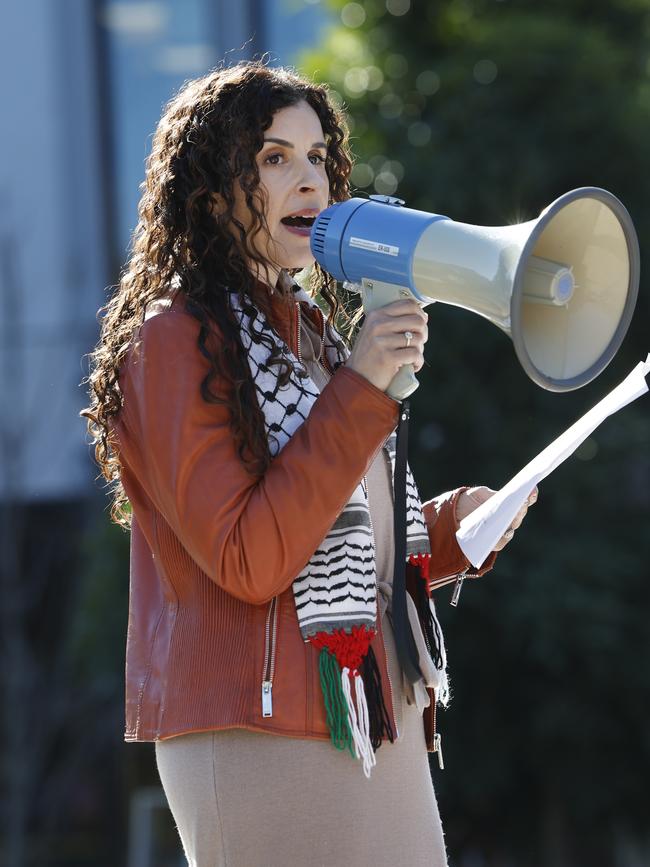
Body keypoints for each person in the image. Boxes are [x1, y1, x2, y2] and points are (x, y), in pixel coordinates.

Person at [81, 60, 536, 867]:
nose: (308, 179)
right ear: (212, 189)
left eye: (318, 156)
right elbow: (250, 556)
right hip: (257, 731)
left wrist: (452, 531)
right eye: (273, 156)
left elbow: (341, 538)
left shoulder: (319, 340)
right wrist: (361, 388)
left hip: (366, 714)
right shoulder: (171, 342)